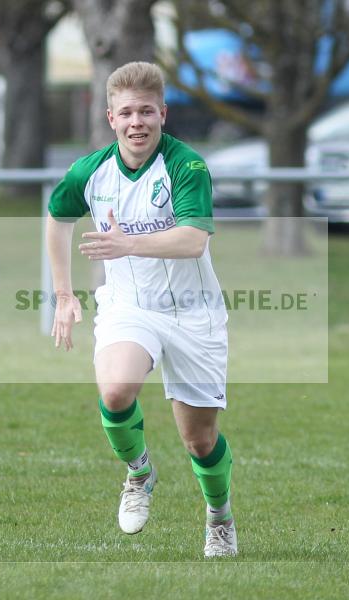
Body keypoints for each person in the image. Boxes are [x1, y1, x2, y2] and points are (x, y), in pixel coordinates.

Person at [46, 62, 236, 557]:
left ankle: (219, 518)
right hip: (129, 307)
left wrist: (128, 245)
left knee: (199, 440)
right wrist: (64, 296)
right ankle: (140, 474)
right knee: (115, 391)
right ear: (110, 117)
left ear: (163, 114)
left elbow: (193, 241)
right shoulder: (89, 171)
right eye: (126, 112)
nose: (137, 122)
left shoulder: (186, 165)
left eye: (146, 111)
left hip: (195, 314)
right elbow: (57, 218)